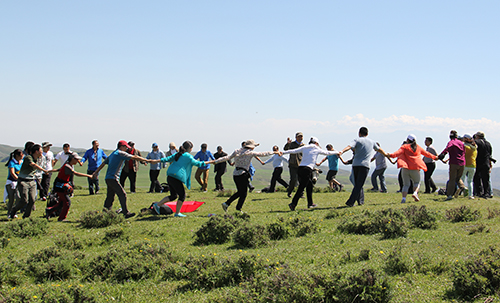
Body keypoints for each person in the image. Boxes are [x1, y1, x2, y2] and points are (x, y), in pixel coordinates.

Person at [149, 141, 213, 217]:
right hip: (176, 177)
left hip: (170, 176)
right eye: (191, 148)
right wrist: (211, 162)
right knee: (182, 195)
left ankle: (158, 205)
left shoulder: (178, 154)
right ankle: (177, 213)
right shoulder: (188, 156)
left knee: (173, 196)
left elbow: (167, 159)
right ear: (189, 148)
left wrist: (156, 161)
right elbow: (198, 163)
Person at [92, 140, 151, 218]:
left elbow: (103, 163)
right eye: (126, 147)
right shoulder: (120, 153)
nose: (127, 149)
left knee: (110, 196)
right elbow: (134, 157)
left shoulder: (113, 153)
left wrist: (96, 172)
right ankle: (125, 212)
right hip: (113, 178)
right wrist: (147, 160)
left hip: (108, 178)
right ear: (122, 147)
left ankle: (105, 212)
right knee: (122, 194)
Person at [215, 140, 276, 213]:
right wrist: (274, 152)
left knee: (240, 192)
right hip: (243, 174)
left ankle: (227, 204)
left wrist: (216, 161)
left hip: (235, 174)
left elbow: (227, 158)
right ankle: (237, 209)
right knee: (243, 193)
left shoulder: (237, 151)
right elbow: (263, 154)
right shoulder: (250, 153)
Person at [282, 137, 341, 210]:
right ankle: (293, 203)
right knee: (301, 187)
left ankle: (310, 203)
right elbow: (327, 153)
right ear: (316, 143)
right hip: (307, 169)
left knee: (309, 186)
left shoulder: (305, 147)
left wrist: (283, 153)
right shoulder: (316, 148)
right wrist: (337, 152)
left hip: (300, 168)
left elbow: (294, 151)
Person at [341, 127, 389, 207]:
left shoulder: (356, 140)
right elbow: (379, 149)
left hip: (355, 165)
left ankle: (360, 201)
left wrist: (342, 151)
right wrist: (386, 155)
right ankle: (351, 202)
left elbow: (349, 146)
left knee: (357, 184)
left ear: (359, 133)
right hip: (365, 165)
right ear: (367, 134)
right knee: (359, 185)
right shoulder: (372, 142)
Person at [387, 135, 438, 203]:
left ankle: (403, 198)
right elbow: (427, 154)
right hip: (415, 168)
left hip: (405, 168)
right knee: (417, 182)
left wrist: (390, 155)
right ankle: (415, 193)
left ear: (407, 140)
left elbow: (397, 153)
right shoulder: (418, 147)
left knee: (406, 184)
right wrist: (435, 157)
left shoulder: (404, 147)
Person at [9, 144, 55, 219]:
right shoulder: (28, 158)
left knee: (32, 199)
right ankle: (13, 211)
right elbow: (33, 165)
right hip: (23, 181)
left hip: (32, 181)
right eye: (41, 150)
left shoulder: (38, 159)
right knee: (24, 200)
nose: (42, 152)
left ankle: (26, 216)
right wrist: (44, 170)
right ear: (36, 151)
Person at [45, 153, 93, 221]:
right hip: (60, 186)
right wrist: (88, 176)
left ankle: (49, 210)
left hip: (60, 185)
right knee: (67, 202)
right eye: (76, 160)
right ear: (72, 159)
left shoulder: (67, 165)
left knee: (62, 202)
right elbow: (76, 174)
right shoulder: (67, 166)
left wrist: (49, 171)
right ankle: (62, 218)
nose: (77, 161)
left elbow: (59, 170)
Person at [438, 130, 466, 201]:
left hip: (454, 163)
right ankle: (463, 188)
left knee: (452, 179)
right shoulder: (461, 143)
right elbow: (464, 152)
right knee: (458, 178)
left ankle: (450, 195)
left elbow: (447, 149)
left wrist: (442, 155)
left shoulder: (451, 142)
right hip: (462, 163)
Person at [473, 131, 494, 199]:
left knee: (477, 178)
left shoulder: (476, 142)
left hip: (478, 162)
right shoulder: (488, 143)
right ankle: (486, 193)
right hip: (486, 162)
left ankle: (479, 192)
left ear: (477, 136)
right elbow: (490, 154)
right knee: (486, 179)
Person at [284, 132, 305, 198]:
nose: (300, 138)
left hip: (301, 164)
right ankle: (290, 191)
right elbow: (285, 149)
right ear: (296, 137)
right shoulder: (292, 144)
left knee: (301, 180)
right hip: (293, 164)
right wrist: (288, 144)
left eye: (301, 136)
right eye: (299, 136)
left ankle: (301, 193)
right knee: (293, 179)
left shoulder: (304, 145)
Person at [5, 149, 23, 215]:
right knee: (11, 199)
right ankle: (9, 213)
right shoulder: (12, 162)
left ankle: (14, 211)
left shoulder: (22, 162)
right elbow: (12, 173)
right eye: (21, 155)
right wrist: (18, 179)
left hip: (19, 182)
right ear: (17, 155)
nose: (22, 156)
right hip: (11, 182)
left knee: (19, 197)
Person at [461, 133, 477, 199]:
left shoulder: (464, 146)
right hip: (473, 165)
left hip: (465, 164)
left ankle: (462, 191)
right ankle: (470, 195)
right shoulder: (474, 148)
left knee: (462, 179)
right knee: (470, 181)